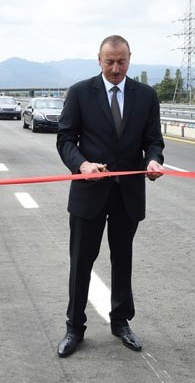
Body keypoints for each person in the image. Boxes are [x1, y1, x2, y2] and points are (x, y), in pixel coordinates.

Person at [55, 35, 165, 357]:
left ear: (130, 58)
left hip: (127, 194)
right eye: (109, 62)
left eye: (121, 61)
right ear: (99, 60)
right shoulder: (80, 93)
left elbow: (153, 140)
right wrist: (82, 165)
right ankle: (74, 327)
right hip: (89, 193)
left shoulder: (146, 96)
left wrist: (153, 160)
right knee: (81, 261)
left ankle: (121, 321)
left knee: (123, 258)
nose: (116, 68)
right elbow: (65, 139)